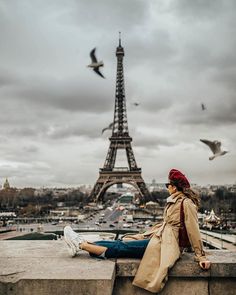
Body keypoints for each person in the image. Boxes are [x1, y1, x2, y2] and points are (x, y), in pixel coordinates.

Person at [64, 169, 211, 293]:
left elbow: (193, 230)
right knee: (122, 243)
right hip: (161, 238)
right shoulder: (176, 200)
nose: (167, 187)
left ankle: (81, 244)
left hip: (167, 244)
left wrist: (201, 256)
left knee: (123, 247)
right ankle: (82, 242)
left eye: (168, 184)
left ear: (175, 186)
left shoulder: (186, 203)